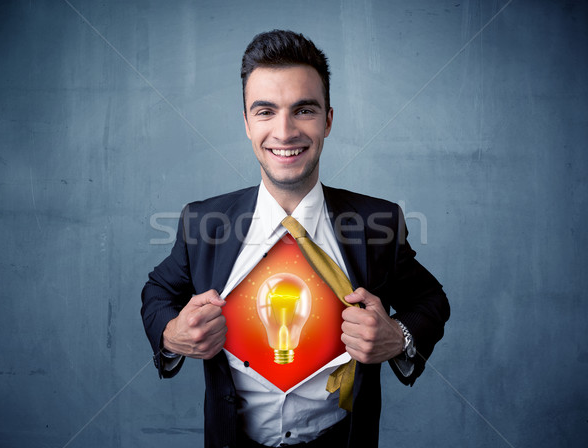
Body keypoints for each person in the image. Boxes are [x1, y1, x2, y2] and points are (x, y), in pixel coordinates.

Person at [141, 29, 450, 448]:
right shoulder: (203, 222)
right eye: (265, 112)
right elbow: (157, 292)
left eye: (303, 110)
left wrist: (399, 336)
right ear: (247, 124)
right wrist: (171, 334)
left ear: (328, 120)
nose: (284, 133)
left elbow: (430, 300)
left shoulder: (378, 222)